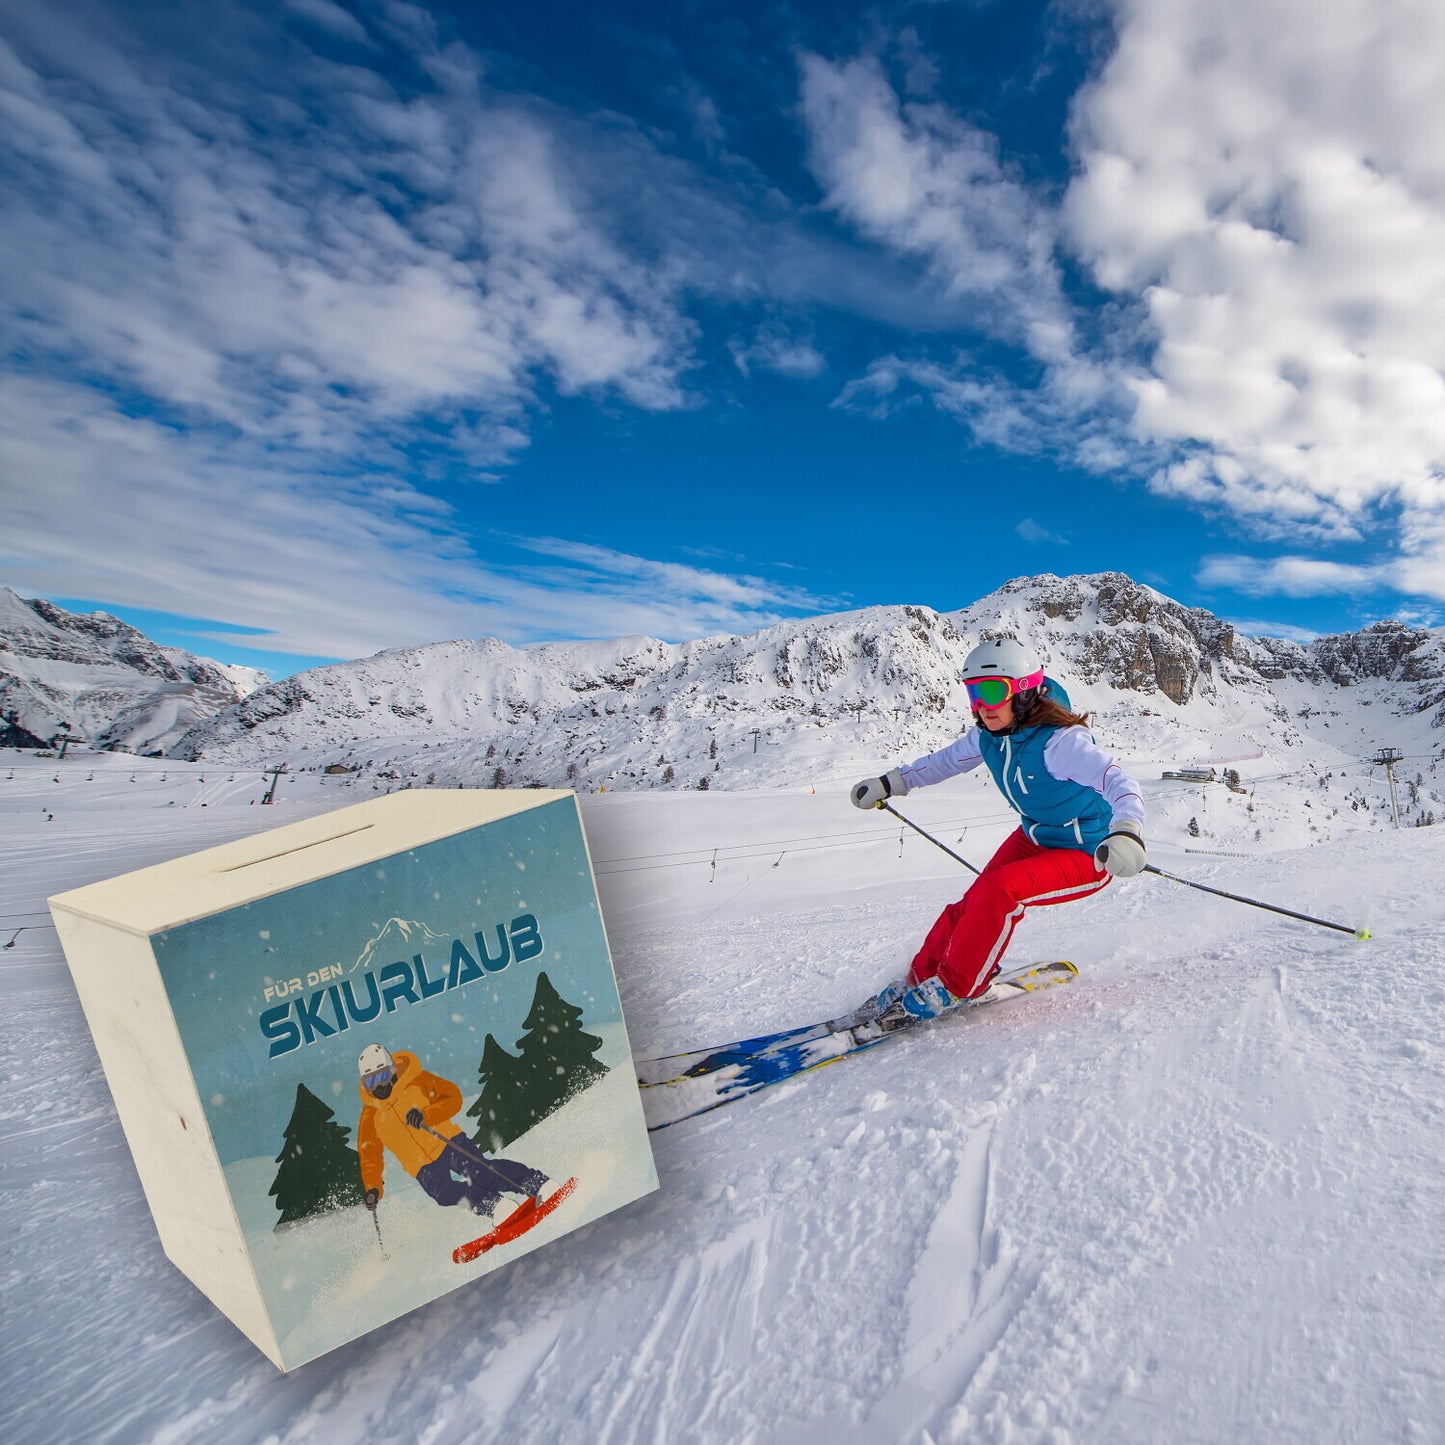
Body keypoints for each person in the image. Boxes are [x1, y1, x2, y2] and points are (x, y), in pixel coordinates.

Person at [850, 637, 1146, 1023]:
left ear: (1023, 693)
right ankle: (920, 977)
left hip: (1090, 849)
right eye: (973, 694)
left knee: (1000, 890)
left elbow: (1118, 781)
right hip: (1036, 836)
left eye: (991, 692)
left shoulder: (1061, 742)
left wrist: (1127, 831)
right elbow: (943, 763)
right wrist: (890, 783)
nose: (981, 706)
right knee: (972, 902)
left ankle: (958, 986)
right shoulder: (989, 736)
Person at [356, 1043, 548, 1218]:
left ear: (391, 1070)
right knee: (443, 1193)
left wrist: (427, 1114)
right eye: (371, 1082)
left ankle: (536, 1182)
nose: (379, 1087)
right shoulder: (370, 1116)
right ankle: (494, 1205)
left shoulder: (416, 1081)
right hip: (420, 1165)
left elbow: (453, 1097)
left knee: (480, 1172)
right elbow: (369, 1155)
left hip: (447, 1141)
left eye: (382, 1077)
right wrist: (372, 1187)